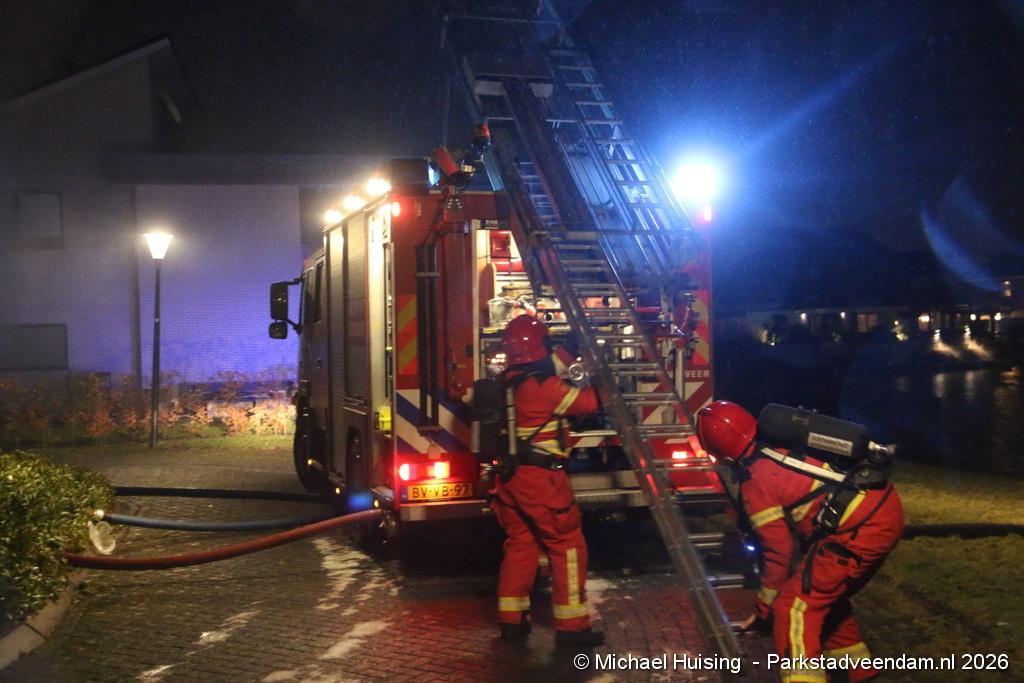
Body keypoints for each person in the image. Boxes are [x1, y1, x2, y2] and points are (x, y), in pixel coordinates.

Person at [696, 401, 903, 683]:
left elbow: (779, 553)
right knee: (823, 596)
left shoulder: (757, 480)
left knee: (793, 608)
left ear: (721, 453)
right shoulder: (780, 446)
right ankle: (857, 671)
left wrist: (765, 609)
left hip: (859, 530)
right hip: (881, 507)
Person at [490, 314, 605, 647]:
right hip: (540, 481)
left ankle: (512, 623)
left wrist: (567, 351)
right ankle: (573, 629)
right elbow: (589, 403)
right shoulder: (544, 386)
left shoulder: (506, 381)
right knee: (567, 545)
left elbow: (543, 366)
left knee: (521, 545)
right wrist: (605, 378)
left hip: (509, 480)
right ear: (539, 347)